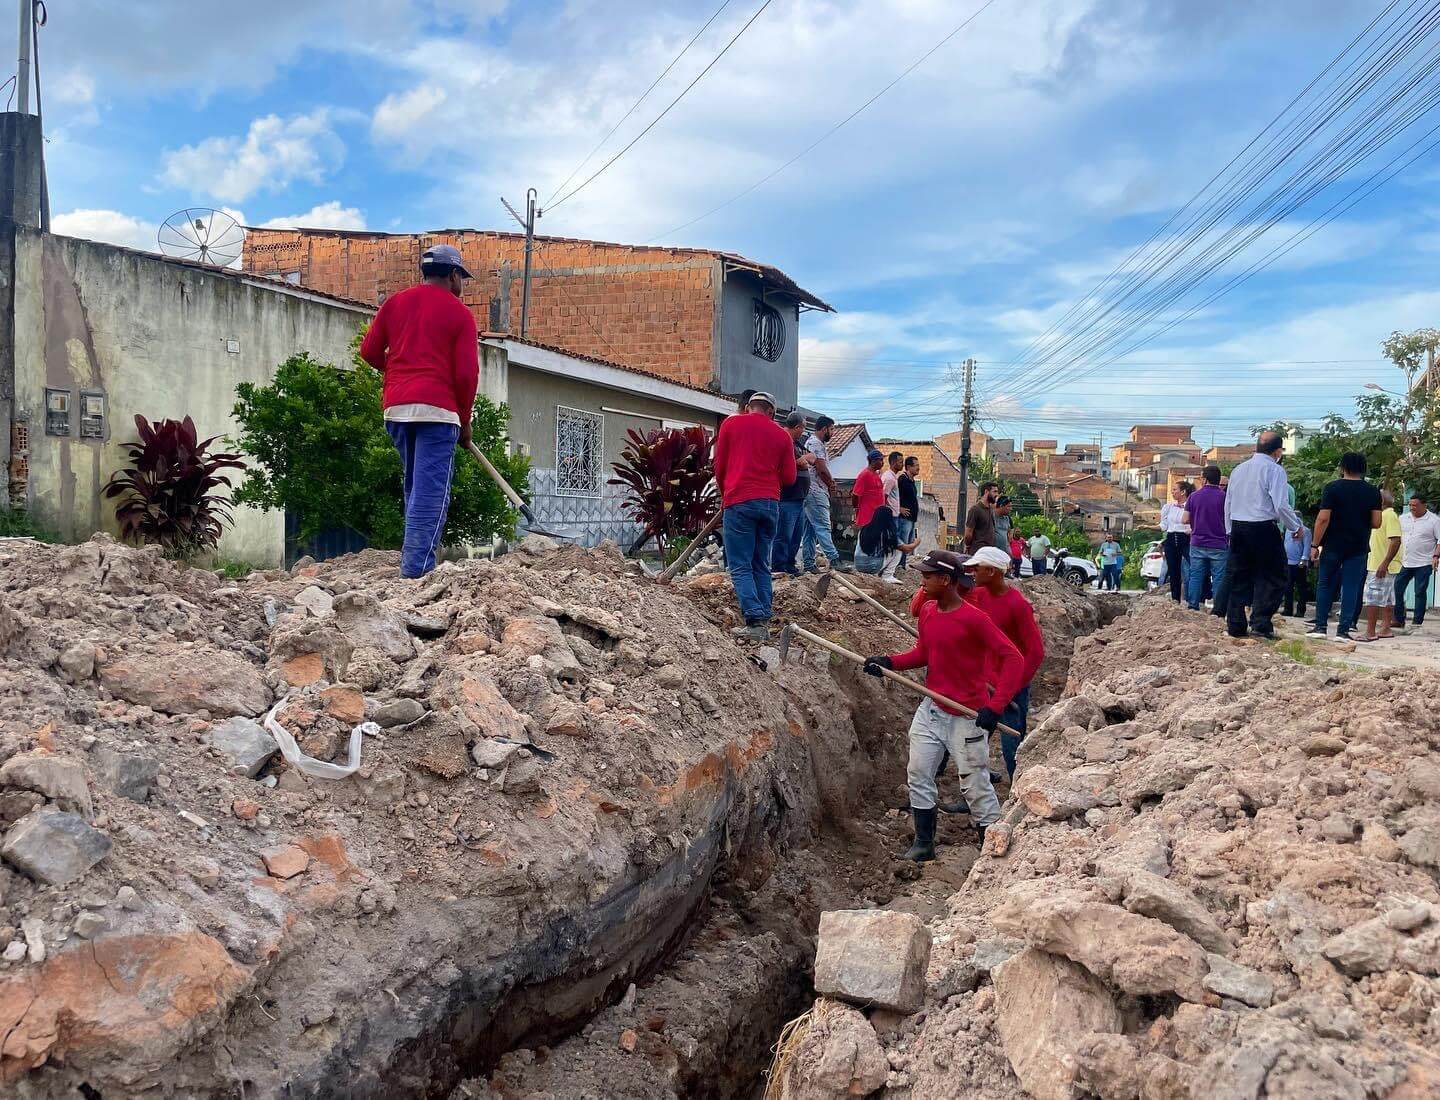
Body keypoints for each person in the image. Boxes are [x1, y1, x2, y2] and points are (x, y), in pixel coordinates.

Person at [865, 550, 1024, 862]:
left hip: (967, 717)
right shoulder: (927, 611)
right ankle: (924, 844)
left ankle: (991, 851)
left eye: (927, 576)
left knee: (975, 786)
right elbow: (924, 652)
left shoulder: (975, 620)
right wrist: (888, 663)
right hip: (932, 710)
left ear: (946, 580)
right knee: (919, 773)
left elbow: (1013, 659)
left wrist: (996, 705)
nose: (921, 581)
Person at [359, 243, 480, 580]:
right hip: (438, 413)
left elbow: (369, 351)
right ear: (454, 274)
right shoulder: (460, 314)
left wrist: (399, 375)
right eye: (462, 278)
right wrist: (465, 421)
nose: (461, 285)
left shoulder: (395, 303)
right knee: (430, 491)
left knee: (415, 486)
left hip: (396, 410)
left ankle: (413, 564)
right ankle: (416, 573)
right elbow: (466, 375)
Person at [713, 392, 796, 642]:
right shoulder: (782, 435)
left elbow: (720, 467)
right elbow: (790, 478)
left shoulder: (731, 424)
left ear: (749, 407)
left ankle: (755, 621)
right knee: (761, 563)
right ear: (772, 412)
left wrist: (725, 492)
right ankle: (765, 613)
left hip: (739, 501)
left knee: (740, 564)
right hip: (770, 504)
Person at [964, 546, 1045, 781]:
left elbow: (1036, 652)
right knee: (975, 742)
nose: (972, 573)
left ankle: (1016, 796)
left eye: (976, 568)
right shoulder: (979, 596)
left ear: (991, 571)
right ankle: (974, 796)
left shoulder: (1017, 605)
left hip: (1011, 688)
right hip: (985, 684)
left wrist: (1012, 687)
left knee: (1012, 748)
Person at [1224, 432, 1304, 640]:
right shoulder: (1275, 470)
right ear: (1278, 451)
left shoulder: (1238, 470)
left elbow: (1228, 503)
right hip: (1263, 527)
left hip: (1239, 526)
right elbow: (1280, 504)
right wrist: (1295, 526)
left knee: (1239, 576)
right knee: (1273, 576)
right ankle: (1260, 623)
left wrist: (1230, 530)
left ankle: (1235, 624)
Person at [1306, 451, 1381, 641]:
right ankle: (1343, 630)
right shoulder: (1372, 491)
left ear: (1343, 467)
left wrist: (1315, 545)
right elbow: (1377, 522)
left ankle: (1320, 627)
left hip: (1333, 544)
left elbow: (1323, 519)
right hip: (1358, 546)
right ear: (1363, 469)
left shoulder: (1332, 488)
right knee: (1350, 587)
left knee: (1325, 584)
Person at [800, 416, 852, 574]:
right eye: (832, 429)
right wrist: (831, 483)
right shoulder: (816, 444)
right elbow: (821, 468)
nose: (833, 433)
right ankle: (835, 560)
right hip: (816, 491)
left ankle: (809, 563)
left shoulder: (813, 442)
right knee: (823, 526)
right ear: (824, 429)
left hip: (809, 490)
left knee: (809, 529)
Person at [770, 412, 814, 578]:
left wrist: (804, 460)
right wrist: (802, 461)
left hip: (799, 498)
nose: (803, 432)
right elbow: (802, 463)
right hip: (787, 498)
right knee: (783, 535)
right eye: (803, 428)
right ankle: (778, 567)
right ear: (797, 427)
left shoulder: (797, 444)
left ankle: (790, 565)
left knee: (796, 536)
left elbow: (811, 458)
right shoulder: (784, 440)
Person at [1360, 490, 1403, 643]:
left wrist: (1384, 563)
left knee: (1373, 598)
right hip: (1381, 563)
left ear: (1381, 502)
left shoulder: (1389, 515)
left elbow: (1395, 540)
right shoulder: (1383, 515)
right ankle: (1385, 628)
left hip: (1382, 565)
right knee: (1388, 599)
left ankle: (1370, 632)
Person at [1184, 467, 1228, 612]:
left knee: (1195, 576)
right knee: (1219, 578)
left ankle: (1193, 605)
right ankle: (1218, 609)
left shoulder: (1194, 496)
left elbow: (1185, 519)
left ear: (1204, 479)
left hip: (1197, 542)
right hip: (1219, 543)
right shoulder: (1225, 497)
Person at [1394, 492, 1440, 629]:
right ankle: (1398, 618)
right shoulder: (1403, 518)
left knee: (1419, 592)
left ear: (1424, 505)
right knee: (1397, 589)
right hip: (1405, 561)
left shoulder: (1434, 520)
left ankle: (1417, 622)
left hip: (1424, 562)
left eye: (1415, 505)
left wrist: (1436, 556)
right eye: (1410, 505)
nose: (1412, 508)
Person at [1159, 482, 1193, 603]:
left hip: (1186, 539)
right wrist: (1149, 527)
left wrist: (1192, 530)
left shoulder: (1191, 506)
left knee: (1195, 567)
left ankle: (1197, 598)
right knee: (1174, 571)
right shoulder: (1169, 507)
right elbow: (1164, 525)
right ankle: (1175, 599)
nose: (1172, 492)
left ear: (1183, 492)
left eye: (1174, 490)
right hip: (1171, 538)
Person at [1283, 521, 1312, 619]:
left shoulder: (1305, 531)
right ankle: (1287, 609)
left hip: (1299, 563)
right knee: (1287, 587)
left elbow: (1307, 545)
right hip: (1288, 562)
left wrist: (1303, 559)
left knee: (1301, 588)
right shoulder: (1287, 530)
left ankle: (1300, 610)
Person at [897, 456, 920, 570]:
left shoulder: (911, 481)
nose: (918, 468)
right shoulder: (902, 479)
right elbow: (893, 496)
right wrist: (899, 508)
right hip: (904, 518)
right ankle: (899, 566)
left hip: (911, 518)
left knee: (908, 542)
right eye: (916, 466)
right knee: (903, 542)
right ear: (909, 467)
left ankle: (902, 565)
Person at [964, 482, 999, 554]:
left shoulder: (991, 509)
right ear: (986, 492)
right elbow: (968, 534)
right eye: (994, 491)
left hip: (989, 552)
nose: (996, 495)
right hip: (978, 553)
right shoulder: (975, 509)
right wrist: (968, 546)